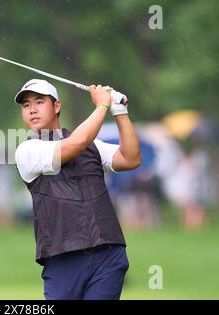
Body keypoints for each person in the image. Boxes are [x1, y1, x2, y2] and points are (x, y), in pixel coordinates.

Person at [14, 79, 141, 300]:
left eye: (39, 102)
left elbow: (130, 159)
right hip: (63, 258)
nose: (32, 109)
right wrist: (102, 106)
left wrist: (120, 111)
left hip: (107, 254)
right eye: (26, 105)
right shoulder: (27, 150)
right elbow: (76, 144)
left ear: (57, 106)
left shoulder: (93, 145)